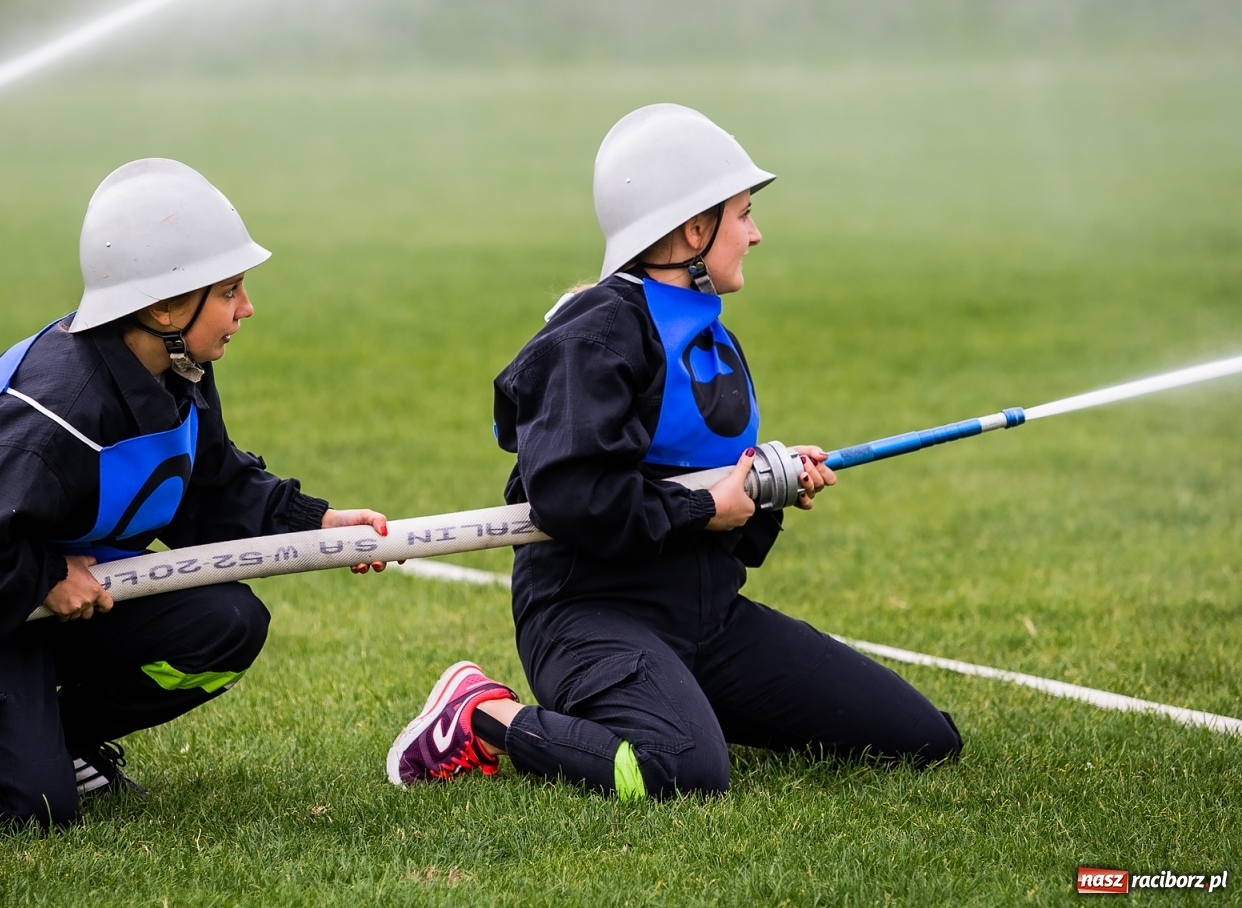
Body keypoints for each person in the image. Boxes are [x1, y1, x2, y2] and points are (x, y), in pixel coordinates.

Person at [387, 104, 962, 799]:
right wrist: (701, 508)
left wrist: (767, 484)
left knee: (925, 740)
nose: (756, 233)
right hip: (587, 618)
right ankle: (479, 714)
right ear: (694, 229)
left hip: (705, 620)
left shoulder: (705, 329)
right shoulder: (593, 338)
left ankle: (670, 700)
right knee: (682, 771)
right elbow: (572, 497)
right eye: (742, 214)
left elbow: (710, 494)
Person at [0, 158, 388, 829]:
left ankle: (42, 737)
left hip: (70, 590)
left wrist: (315, 524)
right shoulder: (52, 412)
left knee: (227, 625)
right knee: (24, 807)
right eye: (231, 291)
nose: (247, 309)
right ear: (164, 306)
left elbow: (207, 487)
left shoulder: (175, 369)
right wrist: (42, 576)